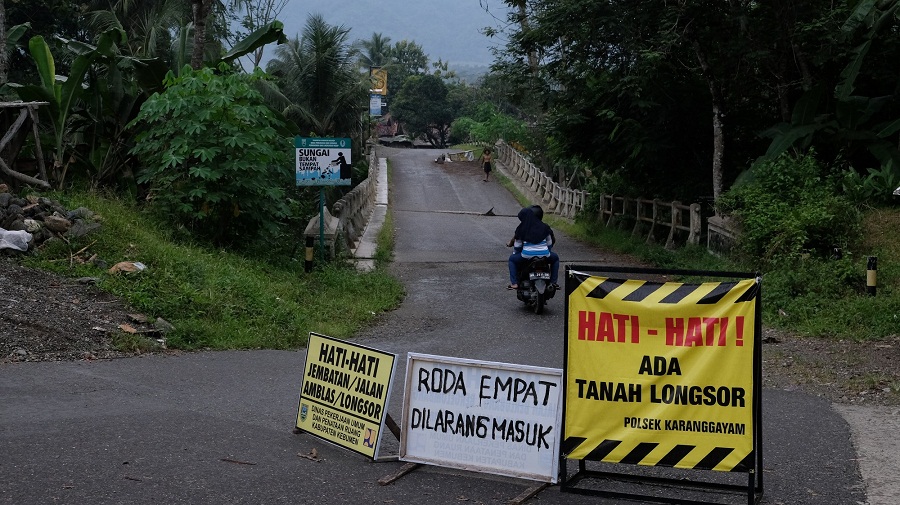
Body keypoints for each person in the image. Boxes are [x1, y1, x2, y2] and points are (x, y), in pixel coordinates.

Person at [507, 205, 560, 290]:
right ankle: (553, 282)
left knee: (512, 260)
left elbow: (517, 247)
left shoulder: (521, 229)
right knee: (555, 258)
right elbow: (549, 243)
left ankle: (514, 283)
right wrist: (546, 251)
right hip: (545, 255)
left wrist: (516, 253)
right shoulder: (545, 227)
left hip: (526, 256)